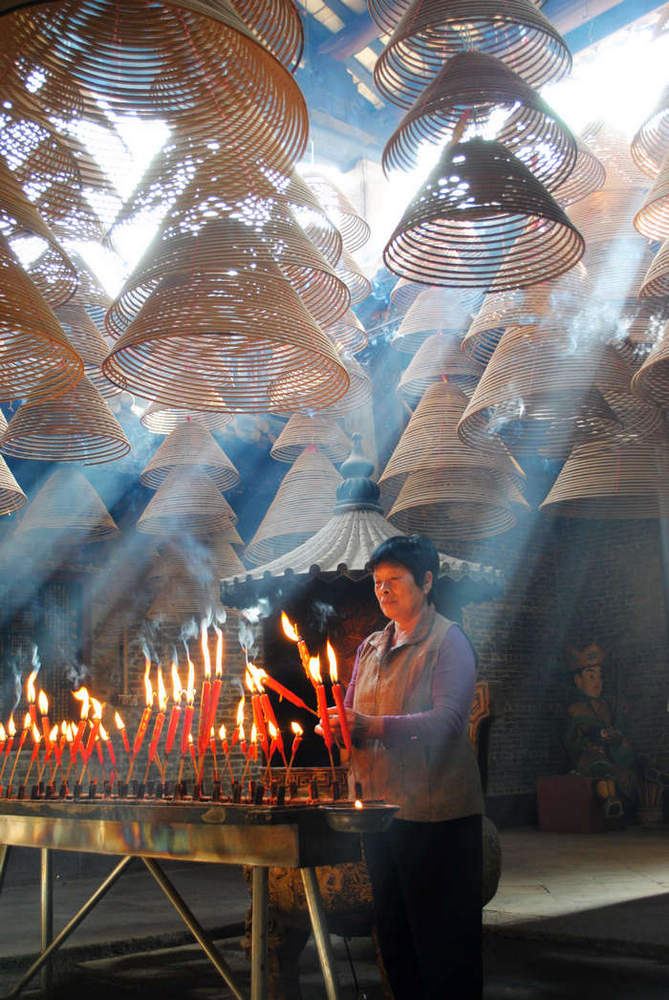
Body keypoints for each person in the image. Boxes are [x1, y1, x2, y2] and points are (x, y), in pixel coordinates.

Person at [319, 533, 484, 1000]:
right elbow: (352, 711)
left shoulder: (448, 642)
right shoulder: (371, 646)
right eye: (377, 583)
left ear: (426, 582)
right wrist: (338, 727)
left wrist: (371, 726)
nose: (384, 591)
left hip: (437, 817)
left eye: (395, 580)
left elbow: (449, 722)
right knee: (394, 937)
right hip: (378, 812)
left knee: (444, 945)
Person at [565, 642, 638, 815]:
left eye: (600, 676)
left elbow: (618, 735)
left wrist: (616, 738)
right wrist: (587, 743)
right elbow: (571, 741)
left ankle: (618, 802)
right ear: (578, 681)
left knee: (626, 769)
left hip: (610, 753)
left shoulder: (608, 706)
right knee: (601, 768)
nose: (597, 682)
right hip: (588, 757)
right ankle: (611, 801)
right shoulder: (575, 709)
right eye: (591, 676)